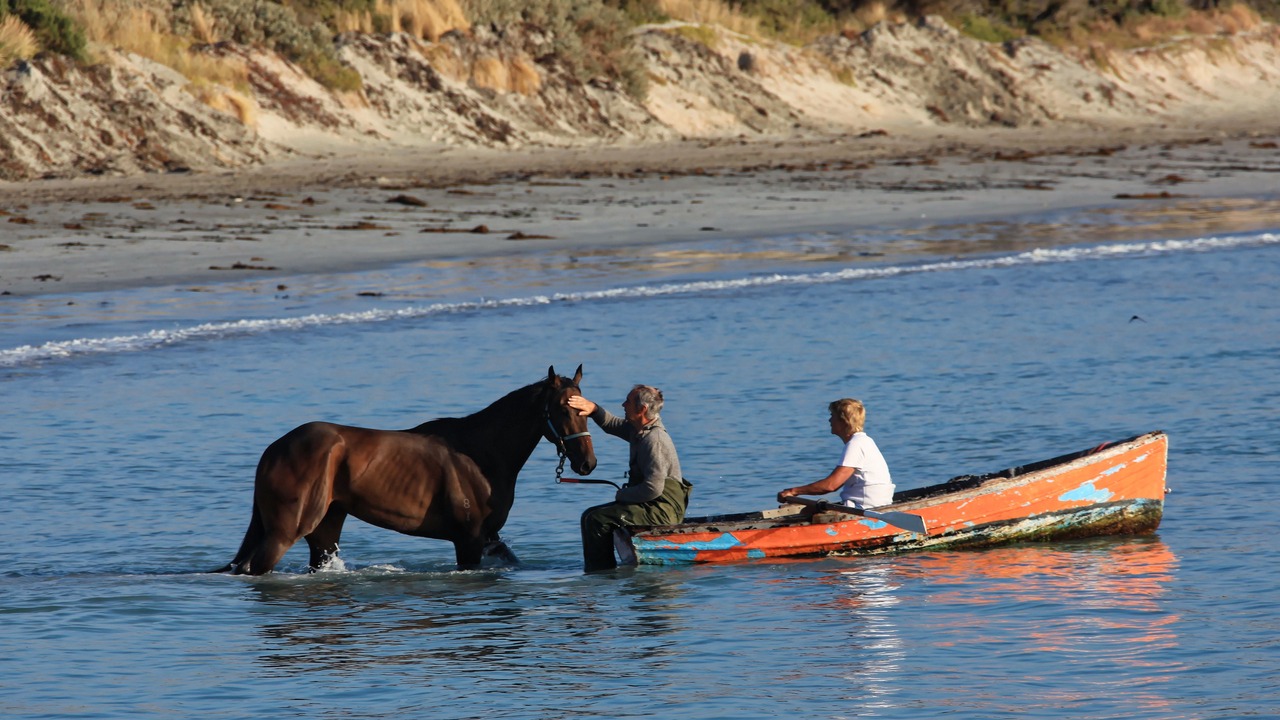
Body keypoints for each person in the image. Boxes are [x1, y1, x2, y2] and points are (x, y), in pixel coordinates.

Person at [568, 384, 692, 571]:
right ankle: (600, 568)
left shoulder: (654, 440)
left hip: (662, 509)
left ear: (642, 409)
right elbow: (612, 424)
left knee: (597, 519)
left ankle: (601, 574)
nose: (623, 405)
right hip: (651, 503)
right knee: (589, 516)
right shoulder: (638, 429)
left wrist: (622, 496)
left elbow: (653, 489)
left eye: (628, 401)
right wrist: (593, 409)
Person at [777, 398, 894, 509]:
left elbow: (831, 485)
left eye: (832, 416)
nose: (829, 420)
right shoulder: (865, 441)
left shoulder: (856, 445)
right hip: (875, 503)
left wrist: (794, 491)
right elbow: (836, 484)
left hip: (866, 507)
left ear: (844, 421)